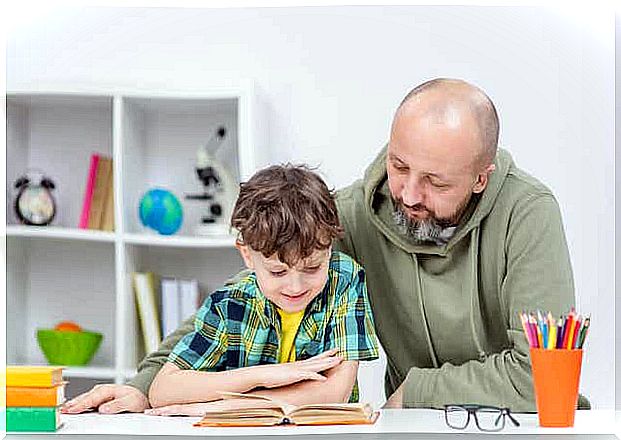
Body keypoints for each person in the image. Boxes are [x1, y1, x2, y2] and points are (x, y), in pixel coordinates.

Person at [63, 78, 587, 415]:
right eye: (400, 165)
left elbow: (542, 374)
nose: (408, 193)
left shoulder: (528, 212)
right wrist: (144, 381)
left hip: (521, 425)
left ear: (480, 178)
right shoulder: (356, 212)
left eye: (436, 182)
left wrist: (418, 391)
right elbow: (240, 297)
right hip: (417, 427)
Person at [136, 164, 378, 414]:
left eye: (312, 268)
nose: (295, 286)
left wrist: (224, 406)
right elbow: (163, 390)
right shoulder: (231, 303)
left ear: (329, 248)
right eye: (277, 271)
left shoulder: (344, 280)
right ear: (247, 255)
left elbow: (333, 393)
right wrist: (262, 376)